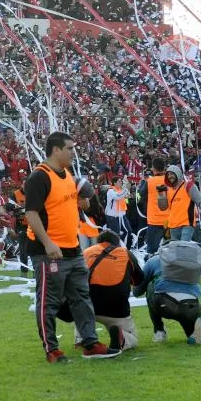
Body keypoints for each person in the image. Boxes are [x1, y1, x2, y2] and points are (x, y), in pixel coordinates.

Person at [25, 131, 121, 363]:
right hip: (49, 252)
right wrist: (48, 243)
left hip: (73, 248)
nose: (73, 153)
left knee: (81, 297)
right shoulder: (39, 176)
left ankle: (90, 342)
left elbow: (72, 206)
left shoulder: (67, 174)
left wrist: (83, 202)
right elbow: (30, 213)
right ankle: (52, 349)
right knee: (49, 301)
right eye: (69, 148)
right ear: (56, 150)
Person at [57, 230, 142, 350]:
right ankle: (123, 338)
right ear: (117, 243)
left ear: (98, 242)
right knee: (132, 337)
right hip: (117, 309)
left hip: (87, 306)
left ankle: (81, 337)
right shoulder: (126, 254)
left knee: (79, 303)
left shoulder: (86, 252)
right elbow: (138, 280)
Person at [133, 240, 201, 345]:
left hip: (165, 304)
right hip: (191, 305)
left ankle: (159, 331)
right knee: (195, 335)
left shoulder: (155, 260)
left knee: (151, 285)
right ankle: (200, 325)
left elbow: (138, 291)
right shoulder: (192, 262)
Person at [163, 165, 201, 242]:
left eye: (172, 174)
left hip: (186, 225)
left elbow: (200, 202)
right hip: (172, 227)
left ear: (178, 174)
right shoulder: (168, 190)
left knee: (183, 248)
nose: (169, 176)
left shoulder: (188, 186)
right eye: (168, 174)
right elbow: (167, 208)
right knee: (176, 252)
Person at [138, 157, 168, 258]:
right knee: (170, 249)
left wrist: (143, 180)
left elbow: (141, 193)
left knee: (151, 251)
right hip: (169, 220)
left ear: (153, 169)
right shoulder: (169, 180)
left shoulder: (149, 182)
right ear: (164, 168)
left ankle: (150, 271)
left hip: (154, 220)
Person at [104, 176, 131, 245]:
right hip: (113, 217)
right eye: (119, 181)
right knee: (115, 235)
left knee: (128, 231)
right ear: (114, 183)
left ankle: (124, 248)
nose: (121, 182)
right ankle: (115, 249)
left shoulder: (120, 190)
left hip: (122, 215)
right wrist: (126, 189)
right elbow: (118, 197)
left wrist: (127, 189)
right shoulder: (110, 190)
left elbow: (127, 196)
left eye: (121, 181)